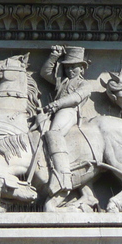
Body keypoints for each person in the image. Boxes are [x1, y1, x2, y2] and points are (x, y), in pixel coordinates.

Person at [39, 45, 94, 201]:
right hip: (54, 112)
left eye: (74, 68)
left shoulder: (84, 85)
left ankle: (62, 177)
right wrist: (54, 56)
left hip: (68, 111)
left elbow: (76, 98)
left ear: (82, 69)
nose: (70, 71)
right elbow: (45, 73)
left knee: (54, 134)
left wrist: (56, 104)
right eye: (68, 68)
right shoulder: (61, 81)